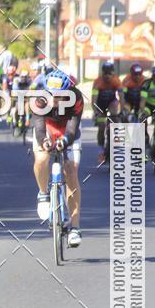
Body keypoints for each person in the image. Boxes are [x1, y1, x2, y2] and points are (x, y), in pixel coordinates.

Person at [33, 68, 84, 247]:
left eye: (59, 96)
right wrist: (44, 141)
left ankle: (75, 227)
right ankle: (43, 193)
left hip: (68, 130)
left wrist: (65, 141)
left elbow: (72, 129)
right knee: (41, 159)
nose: (54, 100)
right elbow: (39, 127)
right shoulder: (40, 99)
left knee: (71, 171)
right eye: (51, 95)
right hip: (47, 128)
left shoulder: (76, 97)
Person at [92, 60, 123, 163]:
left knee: (115, 116)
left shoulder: (116, 81)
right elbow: (94, 100)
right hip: (100, 105)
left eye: (109, 73)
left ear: (113, 73)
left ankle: (116, 144)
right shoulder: (97, 82)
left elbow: (121, 97)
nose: (107, 75)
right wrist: (96, 112)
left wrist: (122, 110)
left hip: (111, 103)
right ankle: (101, 150)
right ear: (102, 73)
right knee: (101, 127)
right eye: (105, 73)